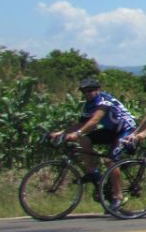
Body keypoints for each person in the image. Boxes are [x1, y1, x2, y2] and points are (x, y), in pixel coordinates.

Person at [49, 77, 136, 207]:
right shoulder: (88, 105)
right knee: (85, 140)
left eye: (91, 90)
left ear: (98, 90)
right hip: (111, 130)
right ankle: (93, 172)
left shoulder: (103, 101)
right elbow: (81, 124)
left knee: (110, 161)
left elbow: (94, 121)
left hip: (126, 130)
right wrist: (62, 133)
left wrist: (77, 134)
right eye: (85, 91)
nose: (88, 93)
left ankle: (118, 196)